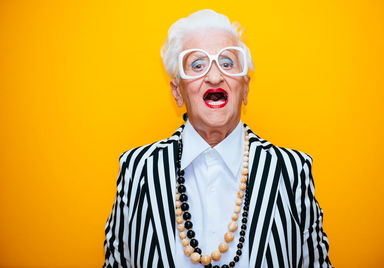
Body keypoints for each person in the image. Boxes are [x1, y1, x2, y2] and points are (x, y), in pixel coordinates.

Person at [103, 9, 332, 268]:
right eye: (197, 65)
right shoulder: (138, 169)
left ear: (245, 87)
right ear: (177, 91)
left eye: (227, 63)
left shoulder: (291, 172)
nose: (214, 77)